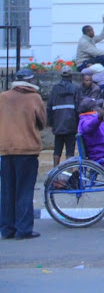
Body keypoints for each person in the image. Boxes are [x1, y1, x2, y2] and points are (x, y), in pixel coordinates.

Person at [0, 69, 46, 240]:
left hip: (5, 149)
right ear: (30, 81)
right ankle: (23, 229)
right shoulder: (34, 98)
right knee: (24, 190)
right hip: (27, 149)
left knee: (7, 190)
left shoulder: (3, 97)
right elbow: (42, 122)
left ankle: (7, 229)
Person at [77, 97, 104, 176]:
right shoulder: (85, 120)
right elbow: (89, 126)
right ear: (92, 109)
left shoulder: (89, 118)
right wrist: (99, 117)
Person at [47, 65, 81, 167]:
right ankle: (68, 173)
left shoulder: (55, 89)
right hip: (71, 124)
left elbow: (49, 107)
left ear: (61, 76)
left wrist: (51, 123)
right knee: (70, 150)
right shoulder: (75, 89)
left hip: (58, 123)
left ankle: (55, 171)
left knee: (57, 149)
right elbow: (78, 107)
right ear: (71, 76)